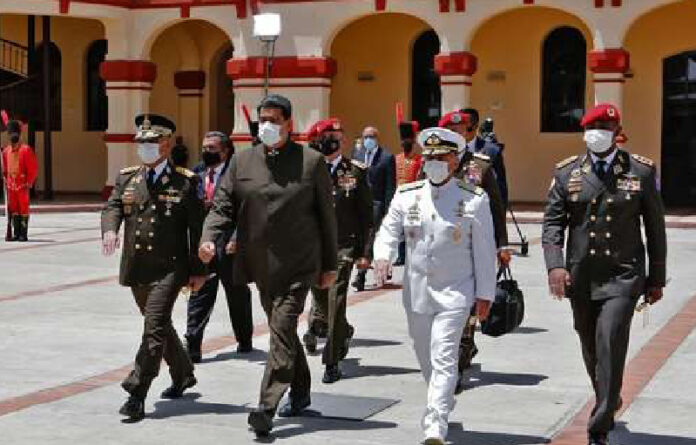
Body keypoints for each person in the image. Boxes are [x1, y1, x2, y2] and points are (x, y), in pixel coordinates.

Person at [198, 94, 338, 437]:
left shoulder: (311, 161)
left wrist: (329, 265)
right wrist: (209, 236)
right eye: (264, 120)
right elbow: (222, 206)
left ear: (289, 124)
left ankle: (267, 405)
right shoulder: (242, 162)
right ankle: (302, 392)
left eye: (275, 120)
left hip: (299, 264)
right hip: (260, 264)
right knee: (284, 332)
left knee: (281, 327)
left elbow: (327, 218)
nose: (268, 126)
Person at [542, 103, 667, 445]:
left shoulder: (640, 171)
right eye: (594, 129)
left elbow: (655, 229)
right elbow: (553, 224)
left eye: (606, 129)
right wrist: (555, 265)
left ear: (616, 133)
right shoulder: (567, 172)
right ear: (585, 133)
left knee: (610, 338)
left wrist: (656, 277)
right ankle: (608, 396)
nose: (599, 134)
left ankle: (600, 424)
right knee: (589, 342)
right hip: (581, 275)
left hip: (623, 276)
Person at [373, 127, 496, 445]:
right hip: (416, 293)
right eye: (429, 157)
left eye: (441, 157)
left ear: (455, 161)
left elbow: (484, 251)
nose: (434, 163)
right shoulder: (407, 195)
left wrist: (485, 294)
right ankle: (442, 400)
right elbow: (389, 229)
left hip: (456, 293)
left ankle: (435, 425)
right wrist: (383, 256)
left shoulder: (473, 199)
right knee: (426, 358)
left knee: (444, 356)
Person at [101, 114, 207, 422]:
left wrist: (198, 270)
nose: (144, 147)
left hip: (170, 267)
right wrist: (110, 229)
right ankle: (184, 373)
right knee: (158, 326)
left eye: (151, 142)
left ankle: (137, 390)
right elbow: (113, 207)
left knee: (154, 326)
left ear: (166, 143)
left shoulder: (185, 180)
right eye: (141, 142)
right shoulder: (128, 177)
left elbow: (196, 228)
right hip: (137, 267)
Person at [438, 110, 509, 390]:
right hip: (442, 249)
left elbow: (496, 206)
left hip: (472, 248)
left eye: (462, 128)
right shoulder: (432, 163)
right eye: (452, 129)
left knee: (465, 307)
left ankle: (457, 361)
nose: (458, 133)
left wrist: (502, 244)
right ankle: (458, 350)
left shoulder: (481, 165)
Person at [303, 118, 373, 383]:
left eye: (337, 134)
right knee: (321, 299)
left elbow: (367, 215)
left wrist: (366, 252)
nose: (333, 139)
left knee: (336, 300)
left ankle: (331, 360)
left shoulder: (355, 171)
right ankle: (341, 331)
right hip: (314, 247)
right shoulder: (308, 168)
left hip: (343, 246)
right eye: (327, 135)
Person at [184, 131, 253, 363]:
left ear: (225, 151)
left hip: (229, 244)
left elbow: (245, 210)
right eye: (204, 147)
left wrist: (237, 238)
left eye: (212, 148)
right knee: (199, 293)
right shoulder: (195, 173)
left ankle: (244, 338)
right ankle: (193, 344)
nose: (207, 152)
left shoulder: (238, 175)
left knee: (237, 294)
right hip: (203, 245)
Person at [351, 126, 396, 291]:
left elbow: (390, 186)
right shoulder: (356, 155)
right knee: (360, 236)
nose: (368, 140)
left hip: (376, 203)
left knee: (370, 238)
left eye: (371, 136)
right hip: (358, 204)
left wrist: (388, 209)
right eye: (365, 137)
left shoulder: (386, 157)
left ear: (377, 138)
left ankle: (360, 275)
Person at [460, 108, 509, 207]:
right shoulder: (449, 150)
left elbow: (500, 188)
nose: (464, 133)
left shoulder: (491, 151)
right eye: (460, 129)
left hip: (482, 208)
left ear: (476, 126)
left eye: (468, 129)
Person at [1, 120, 38, 242]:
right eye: (11, 134)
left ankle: (23, 234)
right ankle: (15, 233)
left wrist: (29, 181)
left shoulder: (26, 150)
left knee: (23, 209)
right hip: (11, 186)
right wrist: (5, 177)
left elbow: (33, 167)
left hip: (22, 185)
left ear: (19, 135)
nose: (13, 136)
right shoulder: (6, 151)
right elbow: (5, 168)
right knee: (14, 210)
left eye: (14, 133)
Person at [393, 120, 424, 266]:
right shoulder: (396, 159)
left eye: (408, 141)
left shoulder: (420, 159)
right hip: (398, 196)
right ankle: (401, 255)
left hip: (414, 197)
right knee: (400, 228)